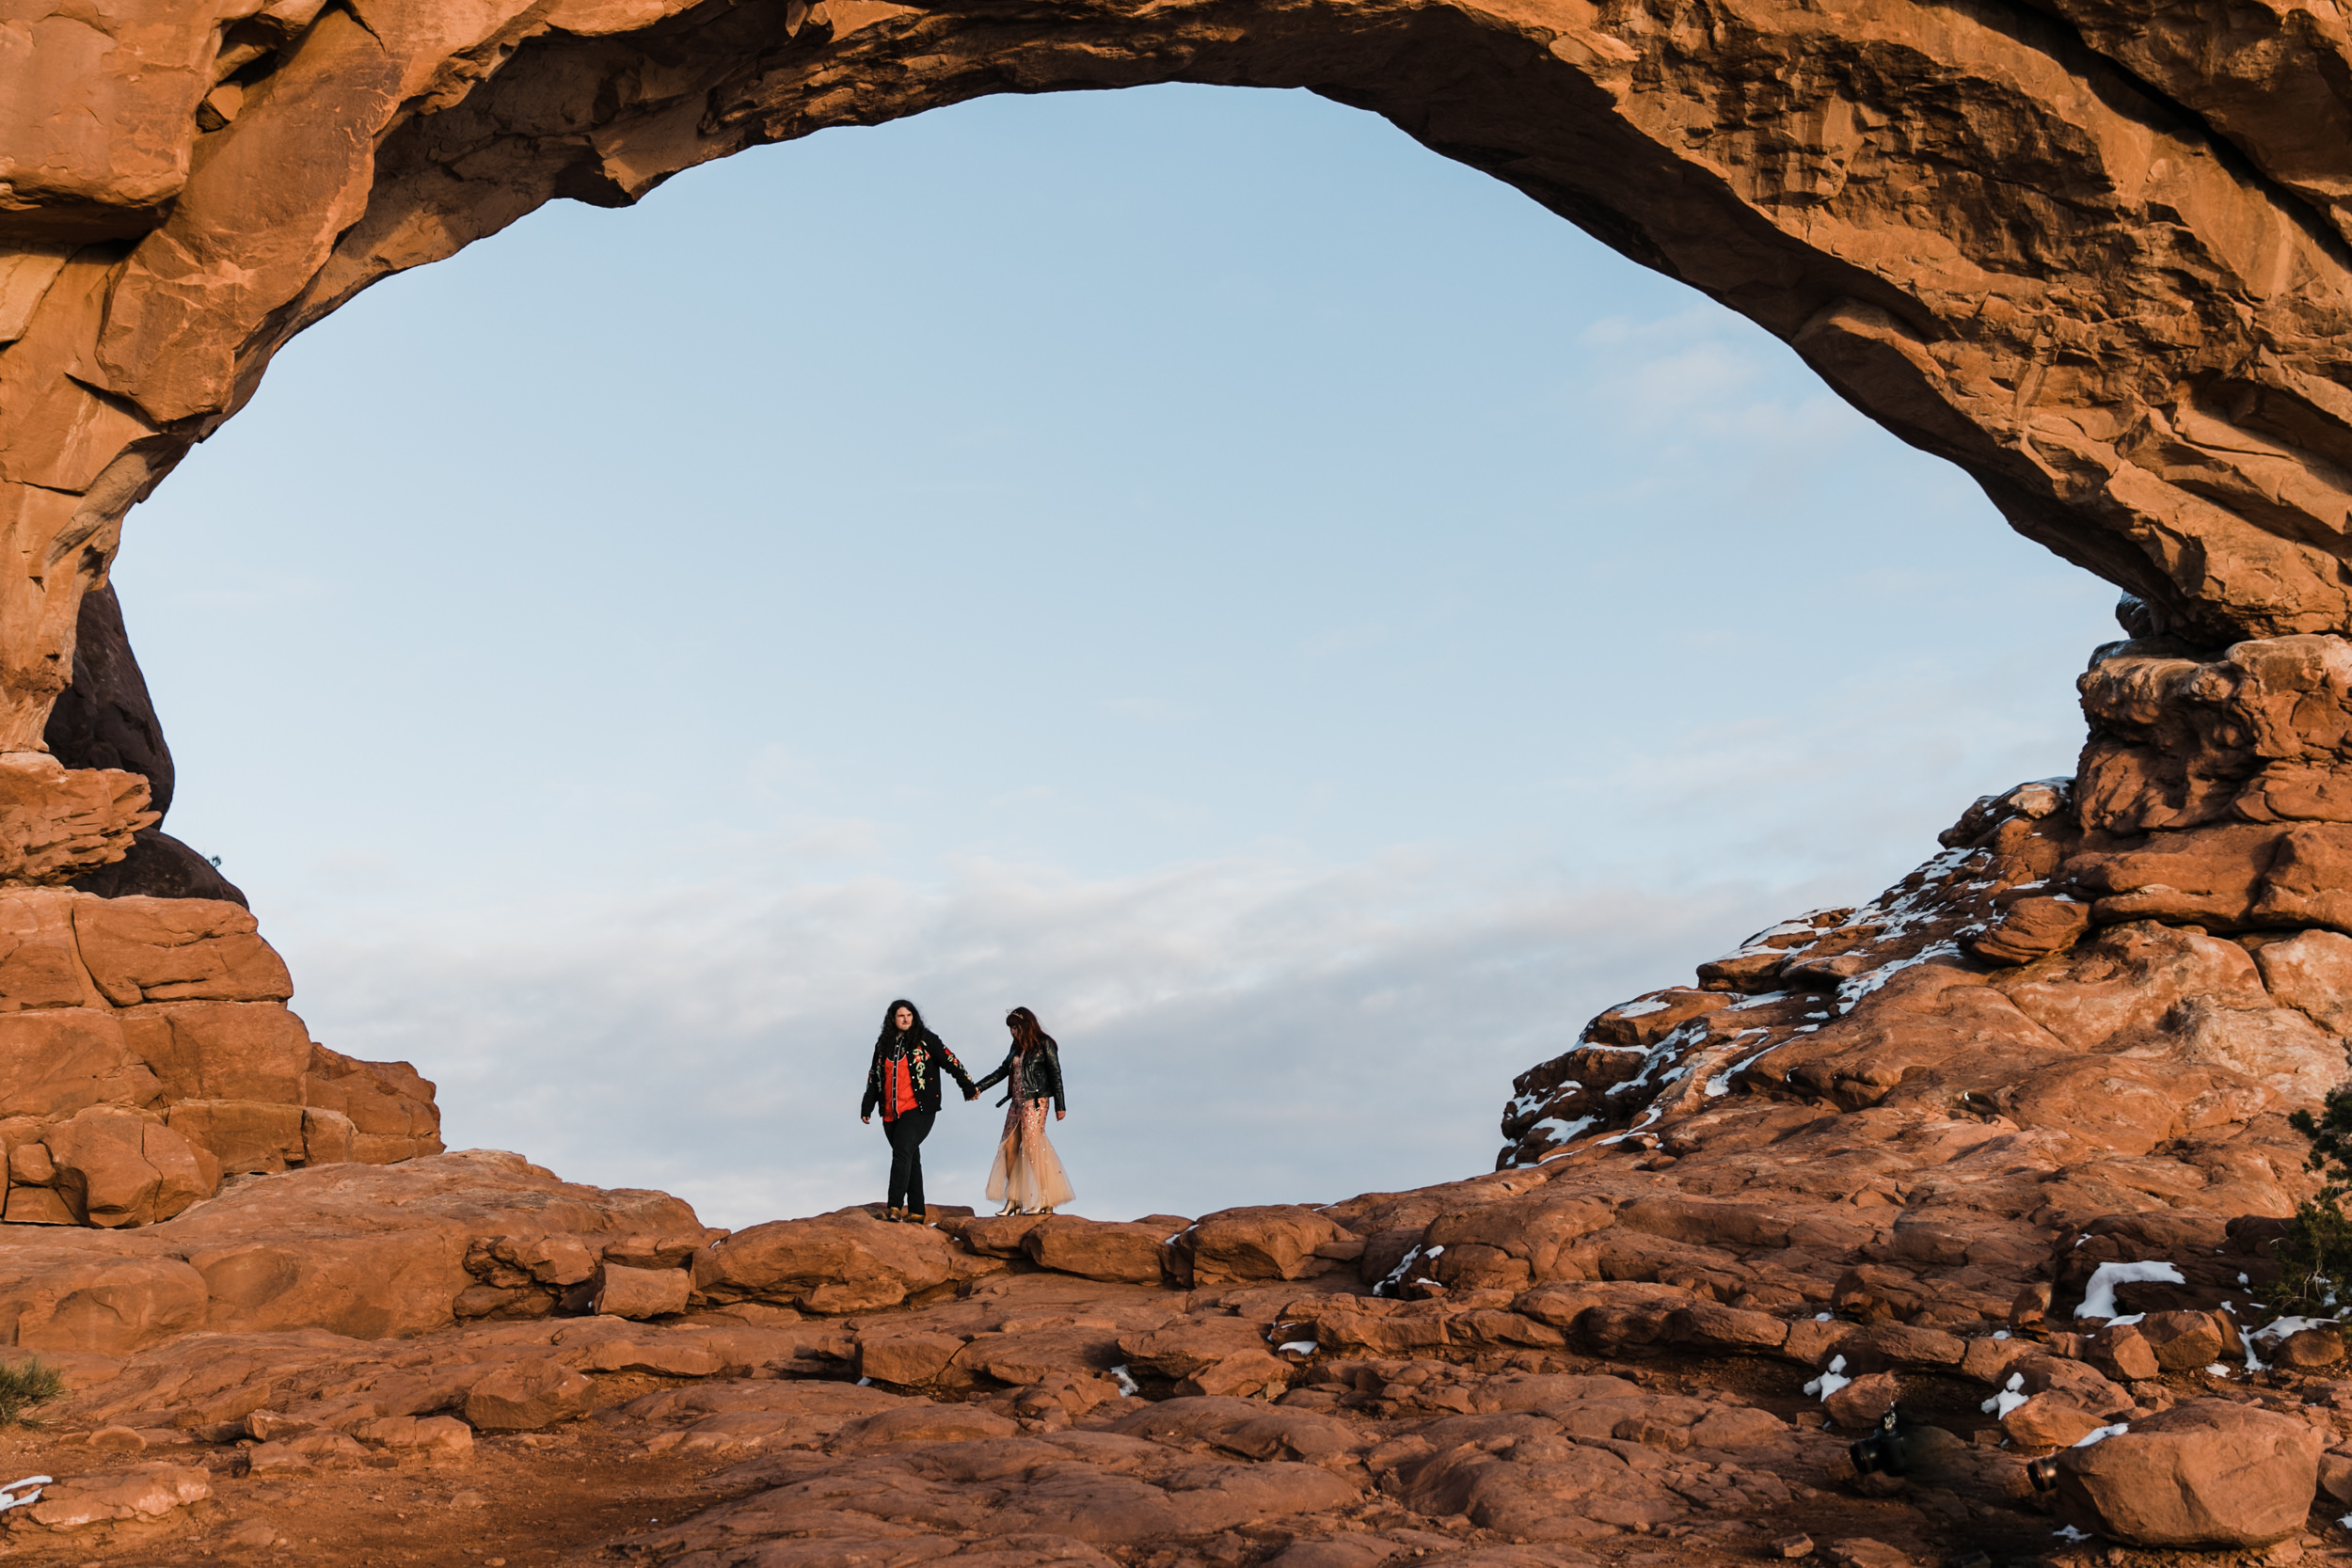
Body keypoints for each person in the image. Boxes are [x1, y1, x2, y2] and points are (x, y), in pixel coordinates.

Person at [859, 999, 977, 1223]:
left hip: (919, 1109)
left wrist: (968, 1086)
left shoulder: (926, 1040)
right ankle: (916, 1211)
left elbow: (950, 1061)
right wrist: (867, 1105)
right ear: (892, 1019)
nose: (905, 1019)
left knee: (902, 1151)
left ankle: (894, 1207)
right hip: (891, 1113)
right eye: (901, 1016)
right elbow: (874, 1076)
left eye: (909, 1015)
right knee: (910, 1157)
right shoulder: (883, 1044)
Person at [972, 1006, 1073, 1215]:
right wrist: (978, 1088)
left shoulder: (1045, 1044)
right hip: (1016, 1104)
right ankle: (1014, 1200)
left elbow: (1056, 1074)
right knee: (1009, 1147)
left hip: (1036, 1102)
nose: (1013, 1032)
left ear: (1025, 1025)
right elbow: (1002, 1071)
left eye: (1015, 1028)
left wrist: (1060, 1106)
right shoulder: (1015, 1047)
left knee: (1032, 1147)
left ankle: (1045, 1198)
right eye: (1011, 1029)